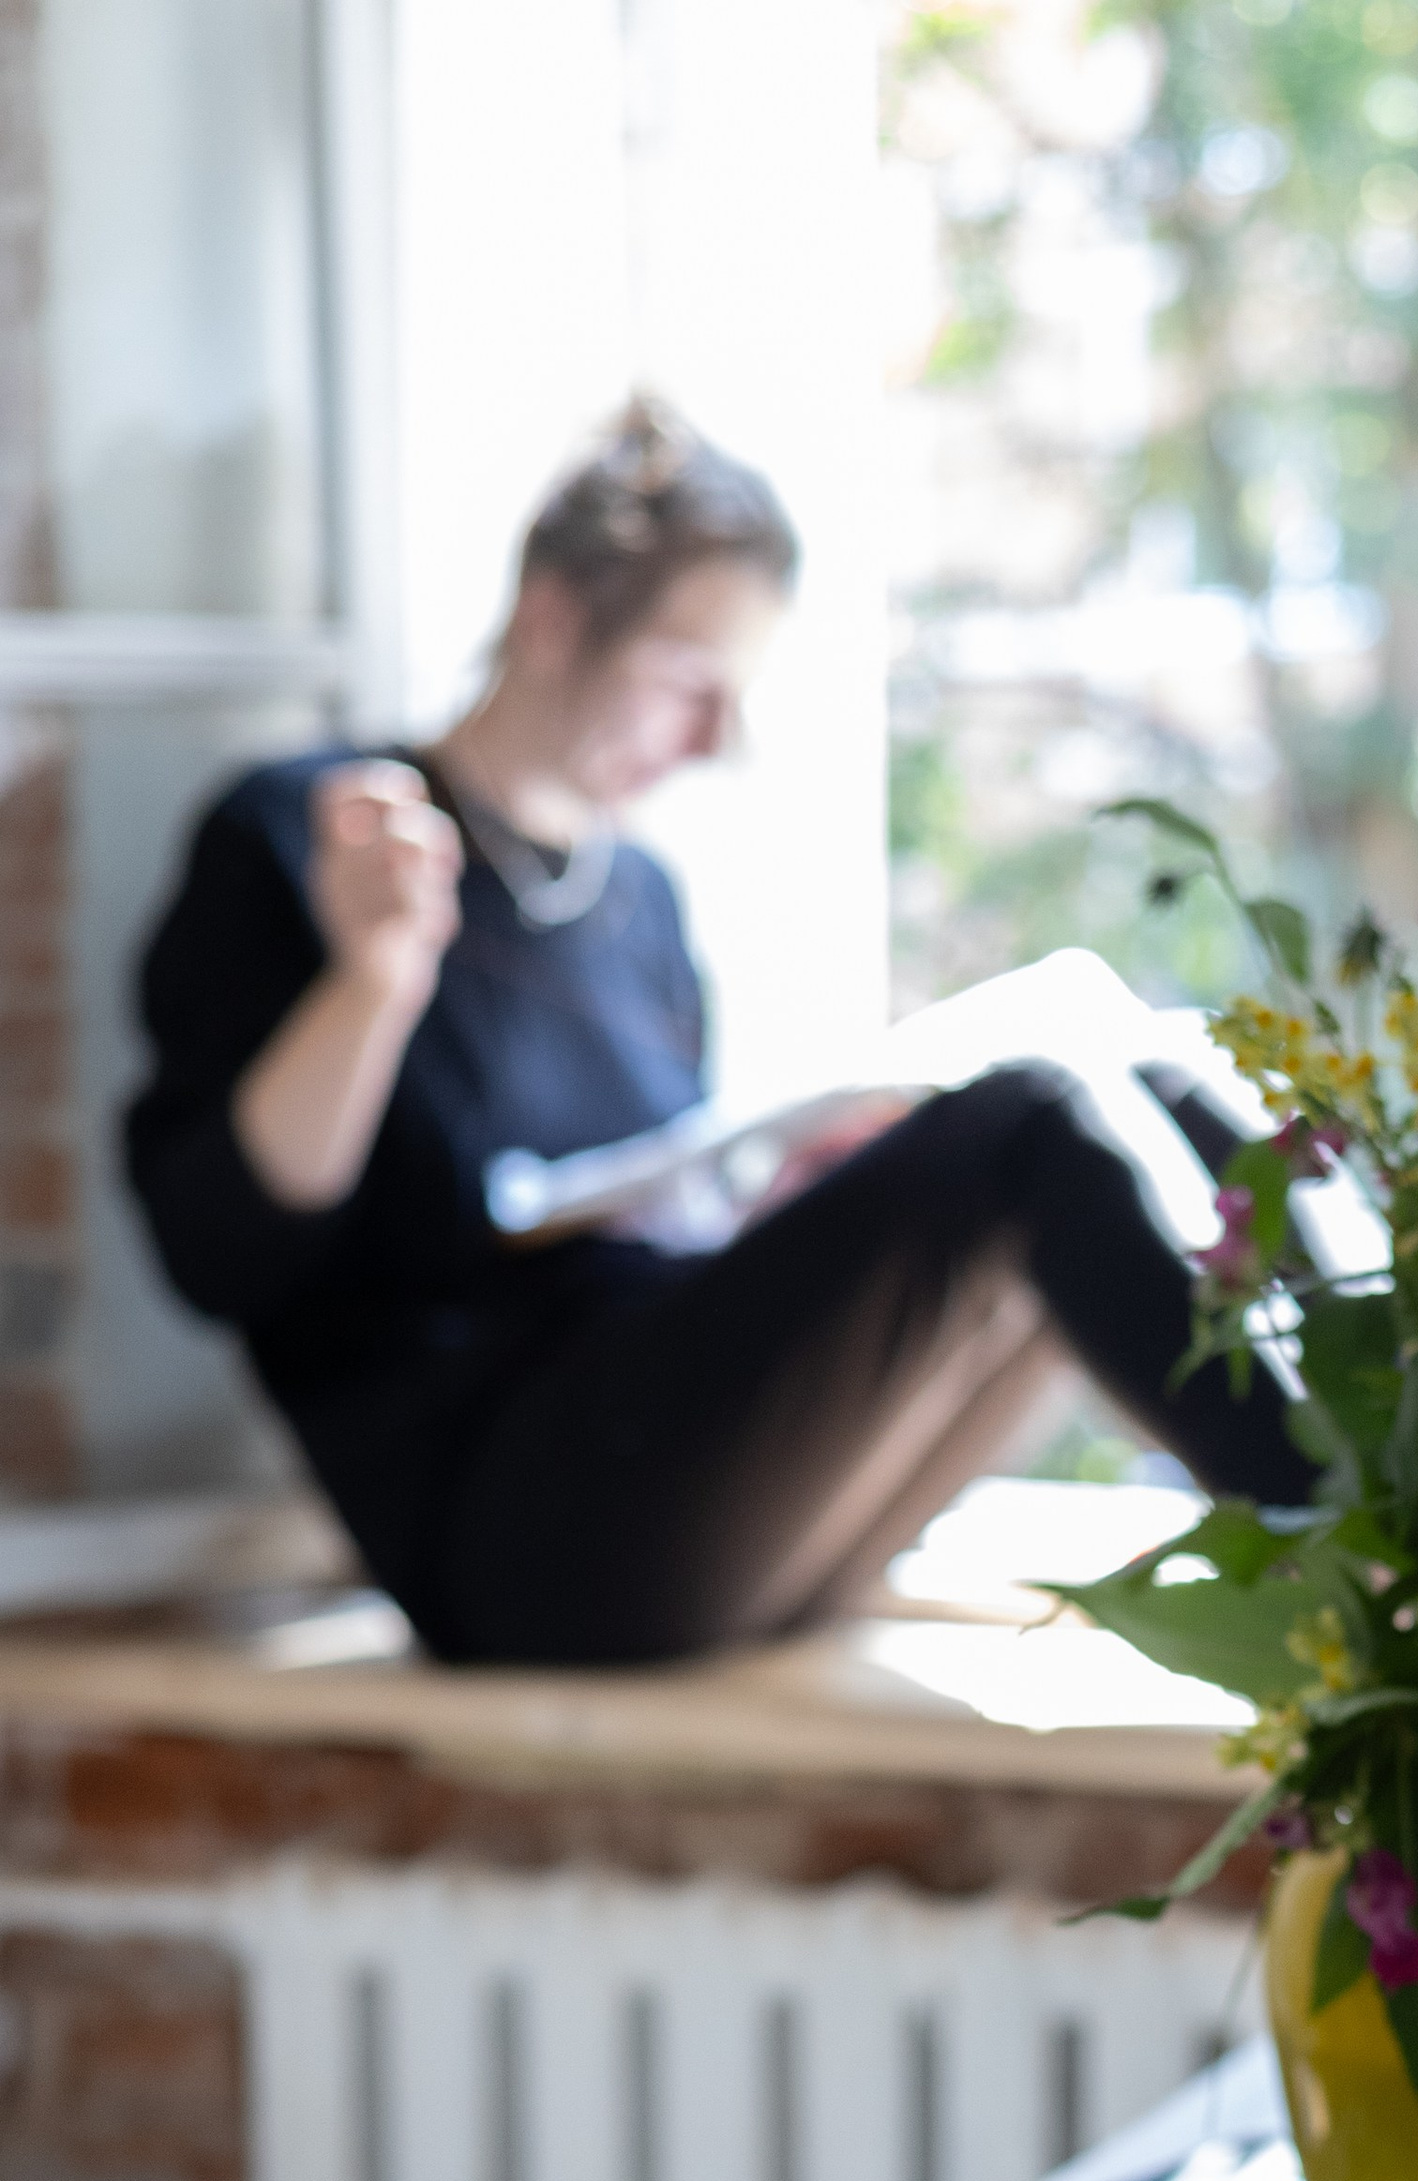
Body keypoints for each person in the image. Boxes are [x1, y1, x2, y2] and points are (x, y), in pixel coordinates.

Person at [123, 402, 1304, 1667]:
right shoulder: (311, 836)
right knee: (1023, 1127)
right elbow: (222, 1252)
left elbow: (653, 1238)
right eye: (688, 681)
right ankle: (1364, 1543)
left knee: (1148, 1079)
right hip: (512, 1538)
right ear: (553, 618)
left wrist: (794, 1195)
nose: (713, 741)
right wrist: (375, 978)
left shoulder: (637, 906)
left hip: (695, 1495)